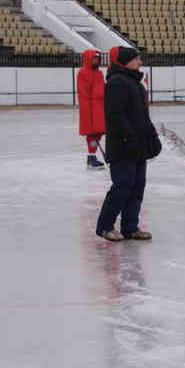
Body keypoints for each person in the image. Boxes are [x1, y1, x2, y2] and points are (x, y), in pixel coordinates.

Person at [96, 46, 162, 242]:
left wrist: (153, 136)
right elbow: (116, 116)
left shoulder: (137, 84)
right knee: (122, 185)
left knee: (137, 186)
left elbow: (143, 116)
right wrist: (129, 138)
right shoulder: (116, 83)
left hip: (138, 145)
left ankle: (130, 227)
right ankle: (105, 226)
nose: (140, 62)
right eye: (136, 59)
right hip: (122, 145)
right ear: (126, 61)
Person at [77, 49, 106, 170]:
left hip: (99, 107)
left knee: (98, 133)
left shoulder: (99, 73)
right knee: (91, 134)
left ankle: (92, 156)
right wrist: (88, 110)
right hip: (89, 107)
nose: (96, 60)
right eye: (94, 58)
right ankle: (91, 157)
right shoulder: (82, 73)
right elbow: (84, 93)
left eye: (97, 58)